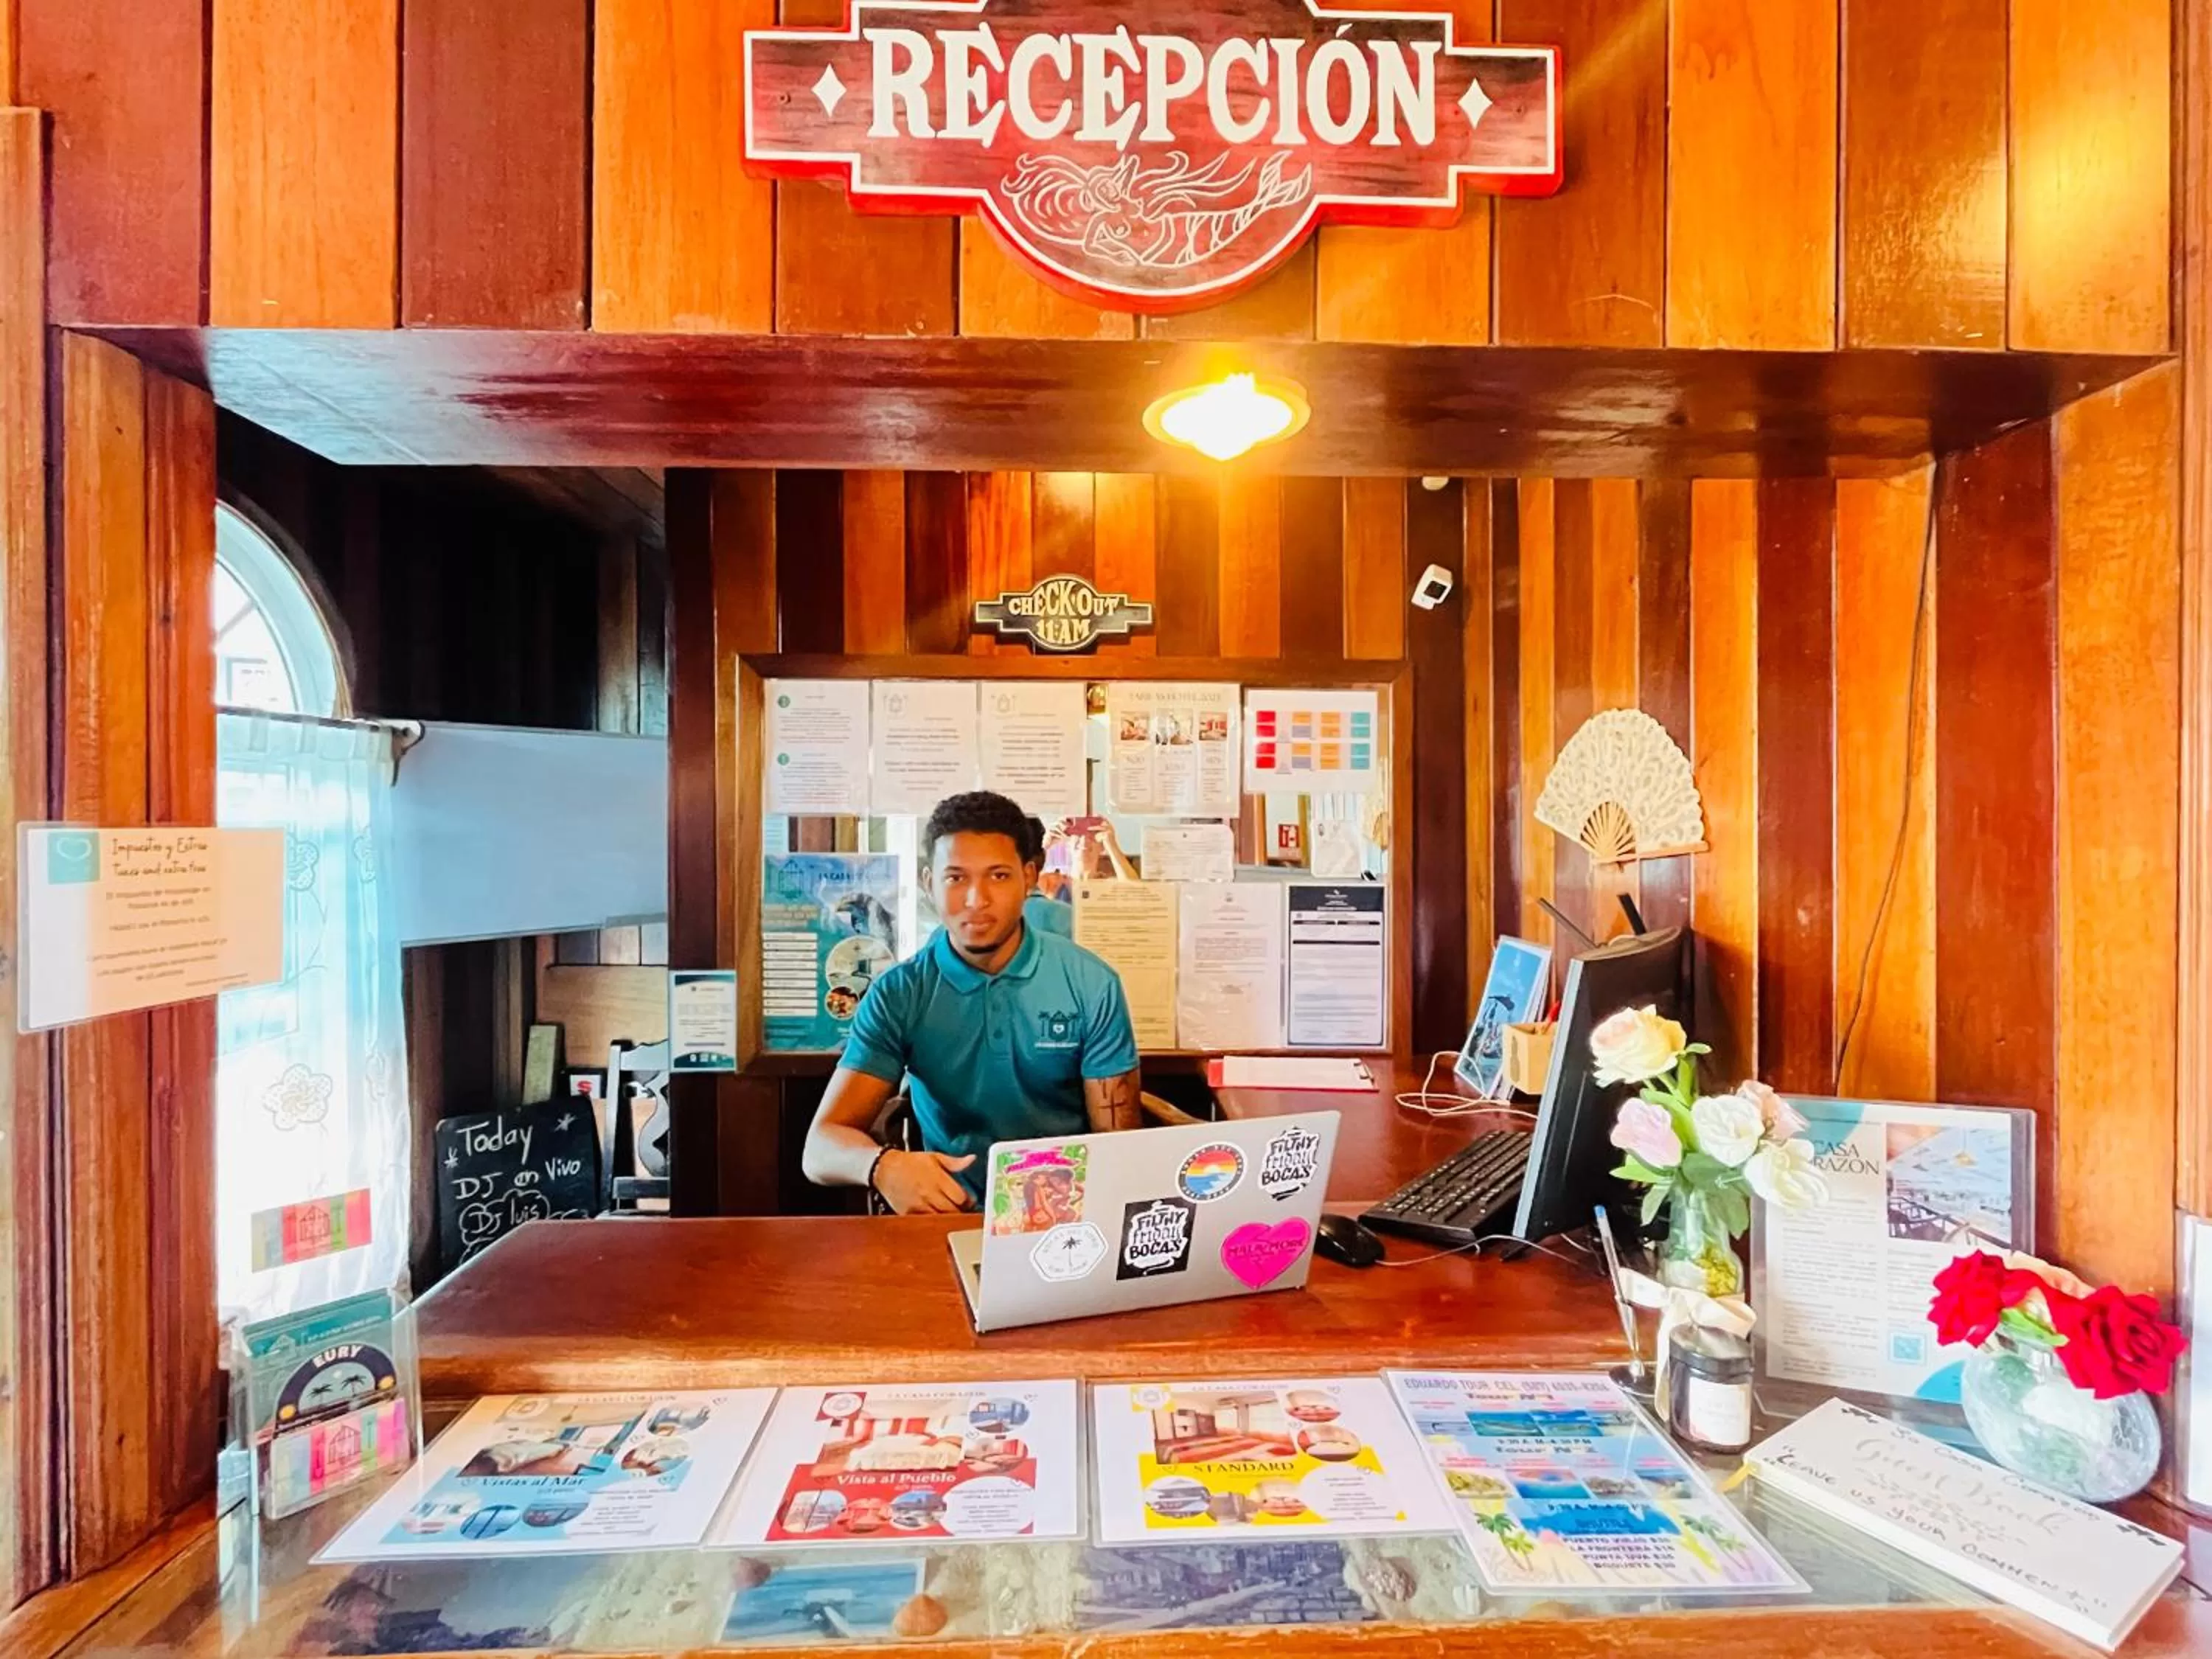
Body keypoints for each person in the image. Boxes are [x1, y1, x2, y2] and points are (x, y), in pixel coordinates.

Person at [801, 790, 1144, 1214]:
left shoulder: (1091, 983)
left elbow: (1119, 1150)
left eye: (998, 876)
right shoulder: (900, 992)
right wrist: (883, 1167)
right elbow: (820, 1147)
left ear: (1030, 877)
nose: (976, 900)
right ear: (929, 884)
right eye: (956, 878)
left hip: (1068, 1216)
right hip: (949, 1214)